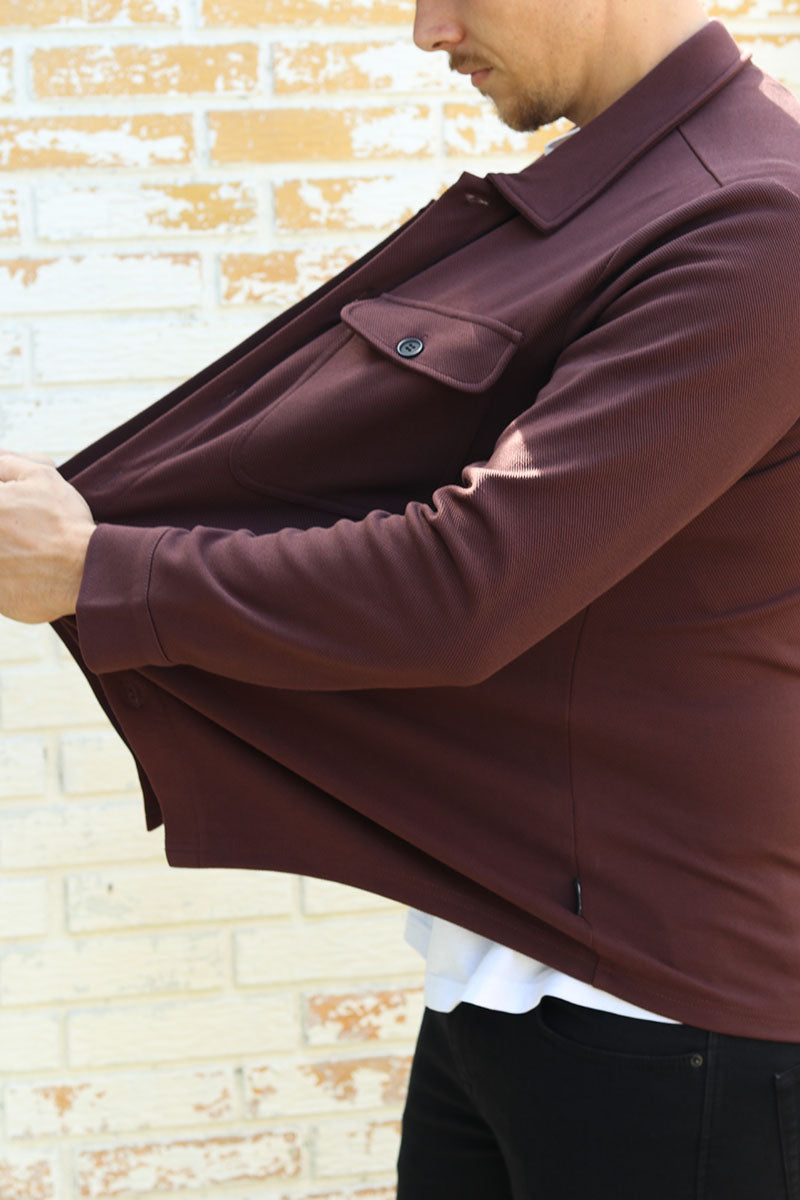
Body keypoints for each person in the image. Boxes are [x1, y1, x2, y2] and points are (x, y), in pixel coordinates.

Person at [2, 0, 800, 1195]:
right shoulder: (629, 199)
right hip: (508, 960)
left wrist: (100, 570)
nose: (429, 31)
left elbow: (464, 585)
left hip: (666, 1012)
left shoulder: (755, 221)